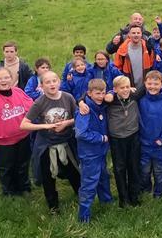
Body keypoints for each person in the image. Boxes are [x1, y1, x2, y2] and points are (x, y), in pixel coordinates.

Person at [20, 71, 80, 213]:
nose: (52, 84)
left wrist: (66, 123)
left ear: (59, 82)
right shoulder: (39, 103)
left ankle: (81, 195)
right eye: (48, 82)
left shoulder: (68, 97)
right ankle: (53, 205)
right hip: (47, 145)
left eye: (54, 80)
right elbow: (24, 124)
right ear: (41, 86)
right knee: (48, 177)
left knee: (74, 172)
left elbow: (78, 116)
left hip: (66, 143)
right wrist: (45, 126)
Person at [0, 67, 33, 196]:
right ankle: (9, 191)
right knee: (6, 168)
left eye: (6, 77)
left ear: (12, 78)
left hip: (23, 137)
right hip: (4, 142)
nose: (3, 81)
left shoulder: (19, 92)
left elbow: (32, 108)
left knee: (23, 164)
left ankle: (24, 187)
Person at [74, 79, 112, 222]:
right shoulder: (85, 110)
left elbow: (113, 93)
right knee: (89, 183)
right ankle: (84, 216)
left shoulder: (101, 105)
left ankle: (106, 201)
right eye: (97, 93)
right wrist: (101, 138)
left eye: (103, 93)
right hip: (89, 154)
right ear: (89, 93)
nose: (101, 96)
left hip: (101, 152)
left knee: (103, 177)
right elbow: (81, 133)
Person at [139, 71, 162, 198]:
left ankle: (158, 192)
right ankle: (146, 189)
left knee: (159, 171)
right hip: (143, 144)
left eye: (156, 84)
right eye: (149, 83)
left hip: (160, 145)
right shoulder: (140, 99)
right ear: (145, 84)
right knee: (144, 171)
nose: (152, 86)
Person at [106, 75, 143, 207]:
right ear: (115, 89)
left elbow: (151, 84)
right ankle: (123, 199)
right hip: (117, 139)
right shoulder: (110, 100)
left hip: (133, 136)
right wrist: (81, 102)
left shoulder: (134, 95)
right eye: (122, 88)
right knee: (120, 168)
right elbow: (88, 98)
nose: (126, 90)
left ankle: (134, 196)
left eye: (127, 87)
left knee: (134, 166)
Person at [114, 23, 154, 90]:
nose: (136, 35)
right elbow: (117, 69)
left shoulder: (148, 48)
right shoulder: (122, 50)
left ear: (141, 34)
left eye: (138, 33)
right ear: (129, 35)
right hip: (129, 88)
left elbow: (153, 66)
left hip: (146, 87)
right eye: (133, 33)